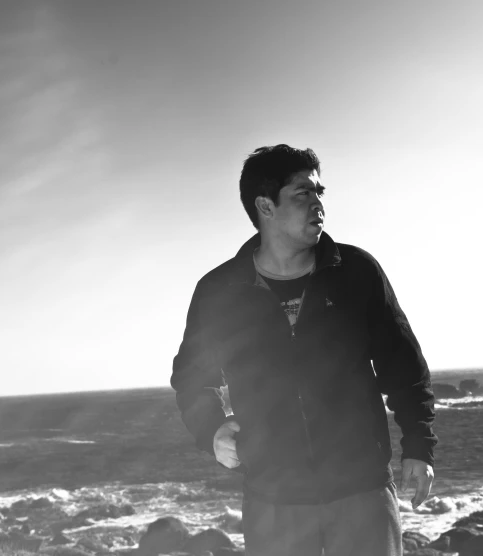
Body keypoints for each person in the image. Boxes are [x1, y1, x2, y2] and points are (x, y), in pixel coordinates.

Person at [171, 144, 437, 556]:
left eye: (319, 193)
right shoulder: (218, 292)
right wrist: (211, 429)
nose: (318, 204)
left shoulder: (355, 273)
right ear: (265, 206)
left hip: (363, 495)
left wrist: (419, 447)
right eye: (302, 194)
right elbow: (192, 378)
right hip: (274, 506)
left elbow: (403, 366)